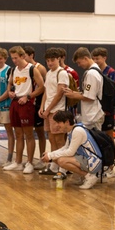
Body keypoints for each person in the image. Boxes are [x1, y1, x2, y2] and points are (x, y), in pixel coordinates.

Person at [3, 46, 44, 174]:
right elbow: (10, 83)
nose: (14, 60)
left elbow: (42, 87)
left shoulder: (32, 69)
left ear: (22, 56)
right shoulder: (14, 70)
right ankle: (18, 162)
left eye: (16, 58)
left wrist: (28, 96)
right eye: (12, 58)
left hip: (27, 104)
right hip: (15, 103)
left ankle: (30, 162)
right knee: (18, 134)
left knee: (29, 135)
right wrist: (10, 91)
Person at [43, 110, 102, 189]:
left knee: (61, 160)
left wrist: (51, 156)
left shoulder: (77, 131)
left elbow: (70, 152)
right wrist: (50, 154)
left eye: (59, 122)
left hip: (93, 161)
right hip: (88, 159)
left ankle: (89, 177)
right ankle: (84, 176)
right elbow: (65, 148)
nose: (57, 125)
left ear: (67, 122)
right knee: (57, 158)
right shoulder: (72, 130)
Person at [38, 48, 69, 177]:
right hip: (48, 110)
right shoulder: (49, 73)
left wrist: (49, 109)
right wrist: (42, 107)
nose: (50, 63)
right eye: (48, 61)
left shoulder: (62, 73)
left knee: (59, 140)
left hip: (57, 111)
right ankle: (54, 165)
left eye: (52, 60)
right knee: (51, 138)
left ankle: (63, 168)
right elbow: (46, 91)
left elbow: (59, 94)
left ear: (59, 59)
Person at [66, 47, 104, 131]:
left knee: (94, 143)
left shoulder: (92, 73)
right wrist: (74, 93)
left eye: (79, 62)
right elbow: (88, 93)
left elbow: (89, 97)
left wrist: (73, 95)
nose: (79, 65)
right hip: (91, 115)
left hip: (93, 116)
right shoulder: (95, 70)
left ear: (85, 58)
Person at [23, 46, 48, 162]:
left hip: (37, 101)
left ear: (31, 55)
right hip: (27, 102)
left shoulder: (40, 68)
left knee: (40, 131)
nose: (23, 58)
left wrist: (43, 104)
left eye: (25, 55)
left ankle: (42, 158)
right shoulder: (22, 68)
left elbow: (45, 87)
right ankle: (29, 160)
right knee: (27, 132)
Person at [91, 47, 115, 133]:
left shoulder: (111, 72)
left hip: (107, 108)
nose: (95, 61)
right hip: (96, 107)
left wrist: (109, 108)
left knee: (108, 133)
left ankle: (112, 147)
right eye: (93, 59)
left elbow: (113, 92)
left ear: (104, 58)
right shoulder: (94, 71)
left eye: (97, 59)